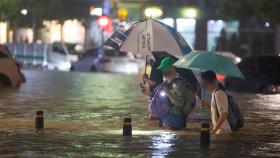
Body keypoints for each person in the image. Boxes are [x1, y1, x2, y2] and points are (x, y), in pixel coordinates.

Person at [144, 57, 196, 130]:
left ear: (173, 68)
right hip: (165, 121)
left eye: (165, 69)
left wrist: (168, 93)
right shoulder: (165, 83)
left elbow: (180, 103)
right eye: (163, 69)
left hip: (174, 121)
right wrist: (147, 93)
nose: (163, 71)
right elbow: (164, 102)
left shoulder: (179, 83)